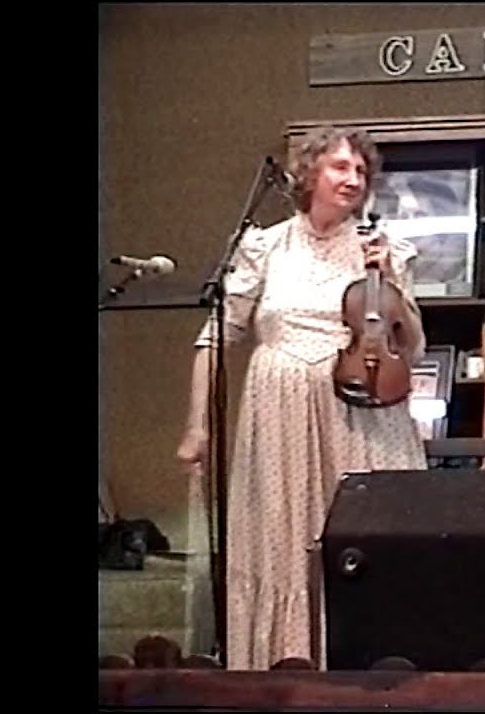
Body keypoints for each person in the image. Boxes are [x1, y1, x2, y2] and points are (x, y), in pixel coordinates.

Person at [176, 127, 429, 670]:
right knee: (285, 542)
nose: (353, 179)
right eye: (341, 167)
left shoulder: (380, 247)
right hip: (281, 415)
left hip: (360, 412)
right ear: (309, 173)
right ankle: (284, 668)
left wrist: (391, 283)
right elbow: (215, 338)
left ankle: (374, 671)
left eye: (361, 171)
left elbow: (411, 344)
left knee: (365, 540)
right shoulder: (264, 246)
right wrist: (197, 428)